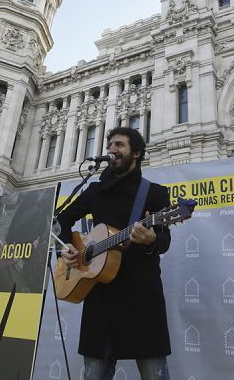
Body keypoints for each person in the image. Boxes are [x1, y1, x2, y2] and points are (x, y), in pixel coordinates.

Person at [57, 127, 172, 380]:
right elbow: (61, 220)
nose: (111, 150)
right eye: (110, 145)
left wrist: (151, 238)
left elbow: (164, 240)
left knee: (155, 374)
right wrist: (68, 248)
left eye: (119, 145)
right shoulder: (95, 191)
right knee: (94, 374)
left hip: (142, 296)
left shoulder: (154, 193)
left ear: (137, 153)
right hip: (101, 295)